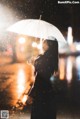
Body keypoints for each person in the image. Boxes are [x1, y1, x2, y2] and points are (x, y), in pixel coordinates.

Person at [27, 37, 59, 119]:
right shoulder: (53, 57)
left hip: (41, 94)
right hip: (49, 93)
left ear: (49, 45)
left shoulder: (44, 58)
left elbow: (39, 78)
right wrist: (35, 63)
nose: (42, 44)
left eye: (44, 42)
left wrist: (31, 94)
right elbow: (45, 73)